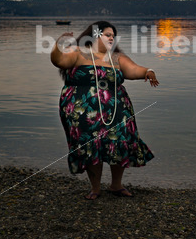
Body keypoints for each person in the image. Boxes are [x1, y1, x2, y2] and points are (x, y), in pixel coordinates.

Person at [51, 21, 157, 200]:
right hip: (82, 110)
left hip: (117, 107)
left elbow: (133, 70)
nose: (111, 38)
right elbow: (58, 61)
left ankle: (116, 185)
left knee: (120, 141)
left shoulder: (116, 58)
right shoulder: (78, 52)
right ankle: (95, 187)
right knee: (91, 145)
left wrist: (148, 71)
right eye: (107, 34)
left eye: (113, 36)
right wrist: (58, 44)